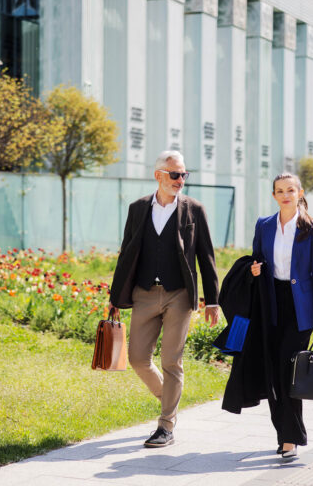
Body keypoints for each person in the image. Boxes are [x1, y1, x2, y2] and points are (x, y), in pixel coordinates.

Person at [108, 150, 220, 448]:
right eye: (175, 174)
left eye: (184, 174)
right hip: (144, 293)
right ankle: (168, 398)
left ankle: (166, 424)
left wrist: (212, 301)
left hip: (178, 295)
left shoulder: (194, 209)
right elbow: (126, 253)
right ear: (158, 175)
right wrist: (115, 297)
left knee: (171, 360)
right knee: (137, 358)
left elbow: (206, 256)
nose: (180, 180)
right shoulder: (138, 208)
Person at [249, 172, 313, 459]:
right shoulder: (264, 225)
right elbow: (256, 259)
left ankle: (290, 438)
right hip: (271, 304)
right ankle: (284, 434)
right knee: (273, 373)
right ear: (274, 195)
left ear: (300, 193)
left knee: (288, 371)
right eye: (280, 191)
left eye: (290, 190)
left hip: (300, 308)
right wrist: (254, 269)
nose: (285, 195)